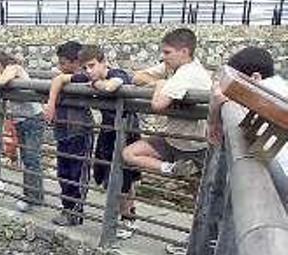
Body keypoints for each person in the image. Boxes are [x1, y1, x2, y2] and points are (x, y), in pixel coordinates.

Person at [46, 45, 139, 230]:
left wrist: (97, 84)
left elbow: (112, 86)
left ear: (104, 62)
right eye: (85, 68)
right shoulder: (90, 75)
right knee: (104, 175)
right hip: (108, 131)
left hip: (126, 132)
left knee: (124, 178)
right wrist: (51, 103)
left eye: (92, 66)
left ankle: (128, 219)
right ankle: (118, 215)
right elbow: (60, 78)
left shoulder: (116, 72)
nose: (88, 71)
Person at [124, 28, 212, 178]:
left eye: (167, 52)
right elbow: (137, 78)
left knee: (198, 192)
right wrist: (160, 83)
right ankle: (172, 168)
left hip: (194, 145)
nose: (163, 57)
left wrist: (160, 85)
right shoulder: (173, 66)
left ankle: (182, 169)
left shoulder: (188, 73)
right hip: (173, 139)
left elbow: (158, 104)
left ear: (184, 52)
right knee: (129, 153)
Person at [0, 50, 45, 212]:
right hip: (22, 120)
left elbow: (2, 81)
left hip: (32, 119)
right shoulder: (7, 70)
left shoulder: (14, 68)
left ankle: (33, 198)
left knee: (32, 159)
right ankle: (33, 196)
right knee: (27, 159)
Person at [43, 41, 94, 223]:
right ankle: (67, 208)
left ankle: (76, 212)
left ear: (76, 63)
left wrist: (51, 102)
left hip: (80, 130)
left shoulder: (83, 77)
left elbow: (58, 79)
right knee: (63, 172)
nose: (60, 67)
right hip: (64, 130)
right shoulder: (69, 76)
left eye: (64, 63)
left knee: (77, 173)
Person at [208, 46, 287, 148]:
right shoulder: (278, 88)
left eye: (233, 80)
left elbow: (218, 96)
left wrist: (212, 120)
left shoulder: (264, 98)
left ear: (255, 78)